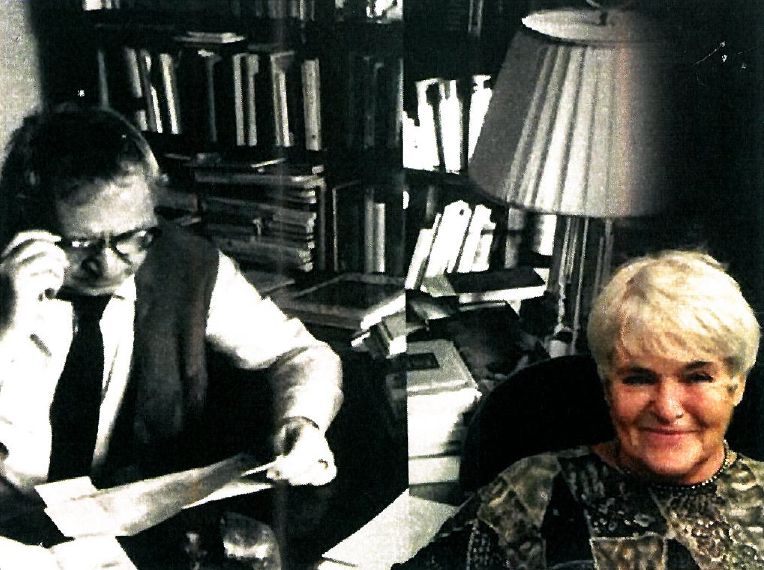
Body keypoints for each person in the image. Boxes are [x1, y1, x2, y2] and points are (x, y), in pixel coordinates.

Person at [0, 104, 343, 558]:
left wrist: (301, 422)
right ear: (27, 223)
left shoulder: (186, 266)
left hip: (126, 537)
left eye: (132, 237)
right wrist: (7, 329)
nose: (109, 265)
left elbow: (299, 354)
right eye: (80, 243)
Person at [398, 250, 764, 569]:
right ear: (607, 387)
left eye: (697, 377)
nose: (667, 409)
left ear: (737, 386)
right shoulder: (531, 491)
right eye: (638, 379)